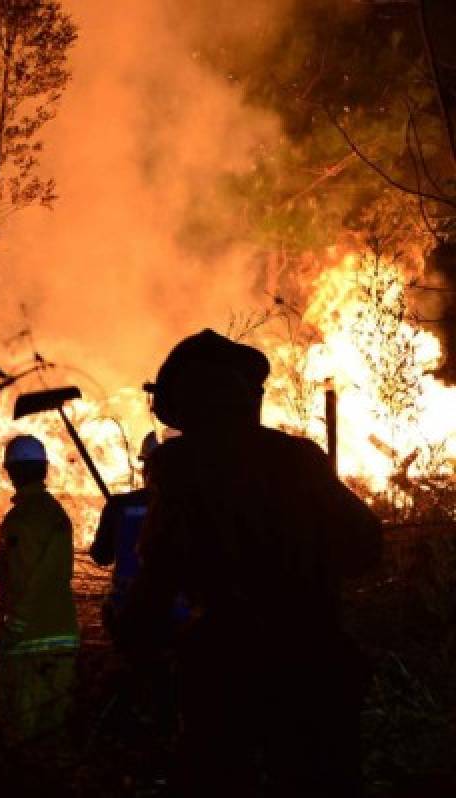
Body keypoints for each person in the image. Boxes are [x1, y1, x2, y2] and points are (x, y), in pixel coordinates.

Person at [120, 329, 382, 797]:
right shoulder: (301, 459)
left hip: (229, 668)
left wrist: (134, 637)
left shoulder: (182, 470)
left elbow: (158, 578)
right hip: (316, 659)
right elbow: (365, 547)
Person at [0, 434, 79, 741]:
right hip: (63, 629)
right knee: (57, 727)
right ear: (44, 469)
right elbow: (43, 568)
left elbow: (26, 578)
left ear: (10, 472)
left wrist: (13, 627)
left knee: (22, 726)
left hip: (31, 637)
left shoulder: (20, 520)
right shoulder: (56, 514)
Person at [90, 431, 187, 642]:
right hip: (178, 616)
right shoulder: (192, 508)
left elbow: (101, 556)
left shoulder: (119, 505)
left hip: (127, 612)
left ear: (147, 467)